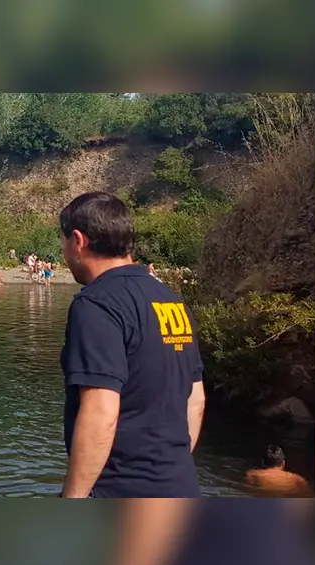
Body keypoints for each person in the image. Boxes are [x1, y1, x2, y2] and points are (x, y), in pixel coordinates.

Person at [57, 191, 206, 498]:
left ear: (78, 241)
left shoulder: (96, 304)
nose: (64, 252)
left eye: (63, 243)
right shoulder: (171, 299)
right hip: (180, 485)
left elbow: (101, 410)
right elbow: (196, 400)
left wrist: (72, 499)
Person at [245, 445, 313, 497]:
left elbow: (249, 493)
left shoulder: (253, 474)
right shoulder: (297, 479)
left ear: (262, 462)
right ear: (283, 463)